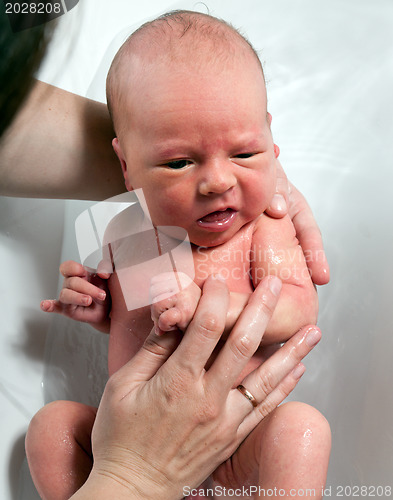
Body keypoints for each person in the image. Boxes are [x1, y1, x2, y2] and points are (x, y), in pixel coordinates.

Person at [30, 10, 331, 499]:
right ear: (127, 166)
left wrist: (218, 310)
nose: (217, 181)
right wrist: (101, 308)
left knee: (303, 431)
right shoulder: (127, 228)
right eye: (178, 162)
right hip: (125, 443)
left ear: (272, 141)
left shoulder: (264, 226)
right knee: (51, 428)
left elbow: (299, 307)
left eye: (245, 153)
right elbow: (141, 322)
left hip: (238, 441)